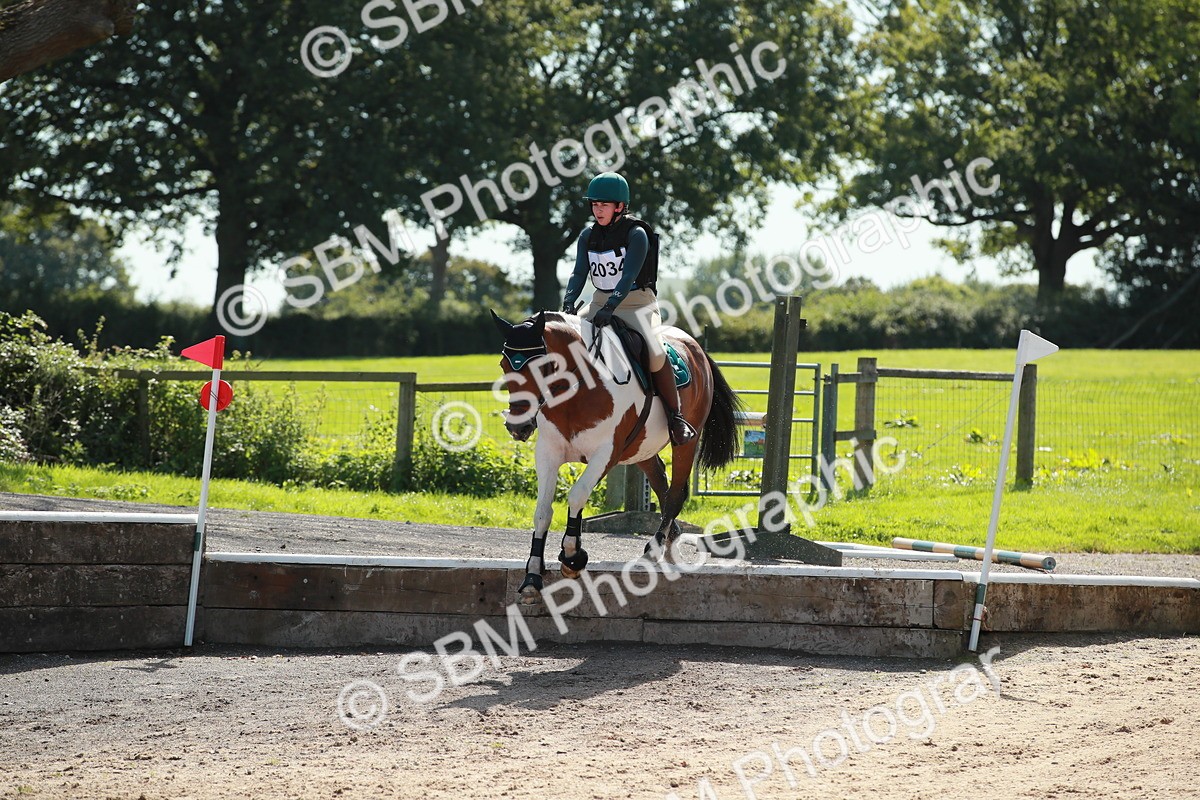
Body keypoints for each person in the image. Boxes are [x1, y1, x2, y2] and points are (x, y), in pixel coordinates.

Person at [561, 171, 697, 445]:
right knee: (566, 338)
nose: (598, 210)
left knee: (655, 352)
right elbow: (579, 273)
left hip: (637, 303)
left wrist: (612, 306)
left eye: (604, 205)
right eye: (594, 205)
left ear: (620, 207)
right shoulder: (588, 235)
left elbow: (628, 276)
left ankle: (676, 417)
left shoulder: (637, 234)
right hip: (599, 301)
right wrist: (568, 302)